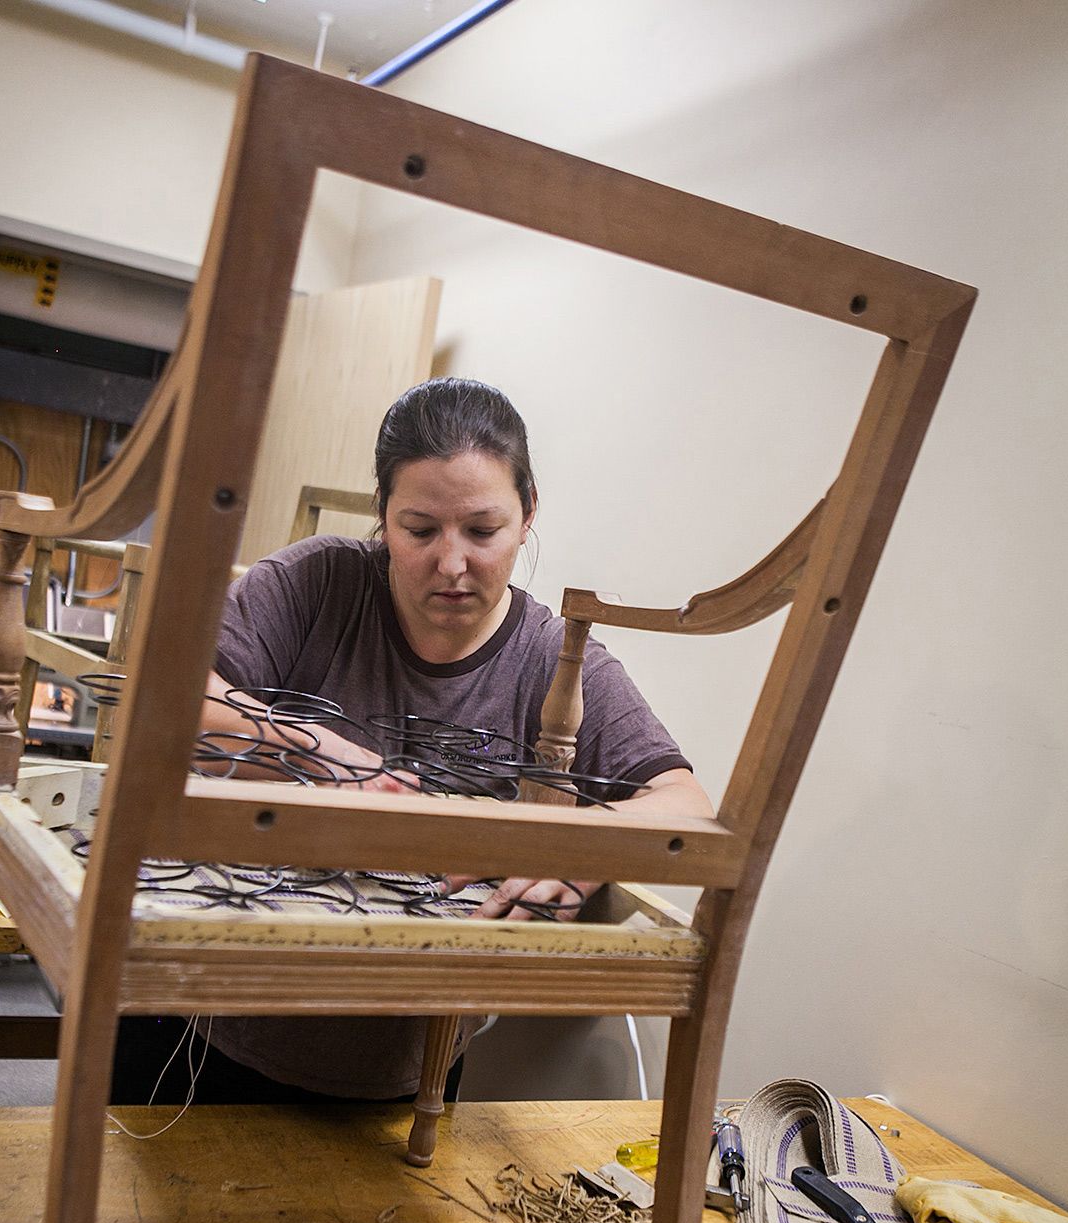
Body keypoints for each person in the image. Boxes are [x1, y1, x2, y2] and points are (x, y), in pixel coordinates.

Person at [111, 378, 712, 1105]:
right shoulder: (314, 582)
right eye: (420, 530)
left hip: (403, 1076)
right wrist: (313, 748)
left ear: (527, 516)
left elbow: (685, 803)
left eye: (482, 531)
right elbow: (165, 702)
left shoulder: (555, 661)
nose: (450, 564)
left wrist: (582, 846)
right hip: (200, 1037)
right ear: (382, 517)